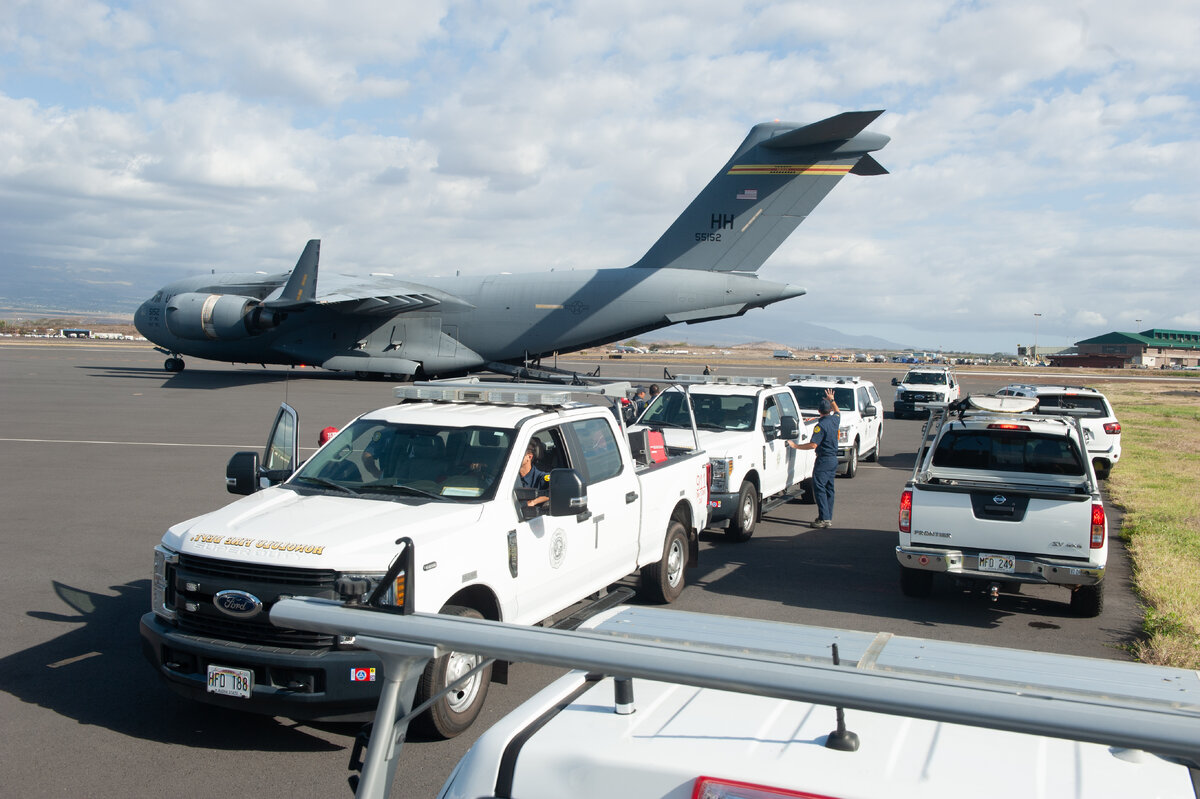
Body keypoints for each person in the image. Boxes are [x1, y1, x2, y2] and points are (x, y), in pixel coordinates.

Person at [787, 388, 839, 528]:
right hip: (833, 459)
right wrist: (832, 400)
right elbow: (838, 412)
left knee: (819, 488)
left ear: (819, 411)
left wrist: (796, 446)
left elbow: (813, 445)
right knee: (829, 488)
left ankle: (824, 518)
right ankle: (828, 516)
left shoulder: (820, 426)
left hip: (824, 459)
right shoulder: (835, 420)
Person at [516, 442, 549, 508]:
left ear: (529, 457)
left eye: (517, 454)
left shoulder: (540, 477)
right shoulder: (508, 476)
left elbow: (556, 489)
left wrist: (533, 502)